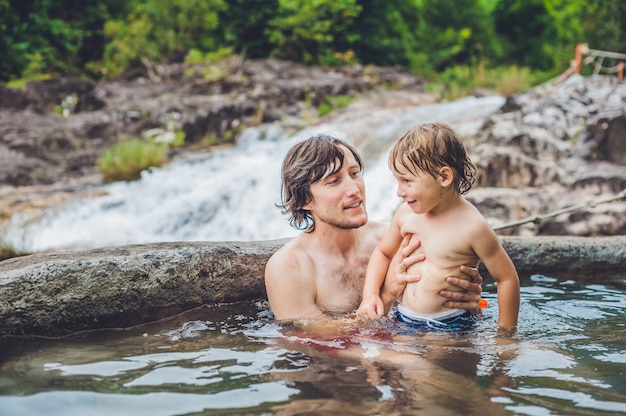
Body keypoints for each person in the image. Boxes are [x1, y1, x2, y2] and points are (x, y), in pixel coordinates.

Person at [264, 133, 483, 322]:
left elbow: (443, 309)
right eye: (334, 181)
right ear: (304, 200)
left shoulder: (398, 239)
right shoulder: (289, 267)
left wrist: (470, 303)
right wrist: (386, 295)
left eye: (354, 173)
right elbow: (318, 341)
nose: (354, 189)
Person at [357, 122, 520, 331]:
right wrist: (370, 295)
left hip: (449, 324)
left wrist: (505, 332)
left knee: (421, 364)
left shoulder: (472, 227)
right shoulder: (405, 214)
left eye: (407, 181)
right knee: (376, 361)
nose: (399, 191)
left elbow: (506, 277)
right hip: (403, 318)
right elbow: (383, 252)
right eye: (397, 181)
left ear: (444, 177)